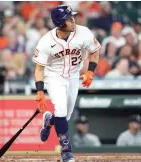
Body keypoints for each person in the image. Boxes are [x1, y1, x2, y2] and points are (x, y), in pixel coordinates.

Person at [32, 5, 100, 162]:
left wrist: (90, 71)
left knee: (65, 116)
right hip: (54, 76)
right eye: (69, 19)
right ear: (60, 23)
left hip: (74, 75)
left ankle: (49, 120)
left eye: (72, 17)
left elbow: (94, 51)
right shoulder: (46, 41)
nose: (73, 20)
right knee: (61, 109)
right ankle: (66, 150)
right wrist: (40, 91)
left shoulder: (83, 32)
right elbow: (39, 69)